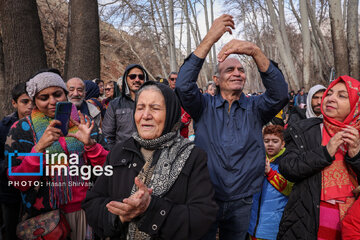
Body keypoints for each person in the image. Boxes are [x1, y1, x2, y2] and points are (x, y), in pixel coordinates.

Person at [175, 14, 288, 239]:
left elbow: (280, 93)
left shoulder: (256, 107)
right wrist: (210, 39)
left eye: (241, 70)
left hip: (243, 199)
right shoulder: (203, 106)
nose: (237, 73)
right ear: (216, 79)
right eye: (229, 70)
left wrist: (255, 51)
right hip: (205, 196)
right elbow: (183, 86)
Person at [83, 81, 217, 239]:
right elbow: (92, 203)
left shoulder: (193, 156)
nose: (145, 115)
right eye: (140, 108)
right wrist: (120, 215)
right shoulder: (119, 152)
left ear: (171, 113)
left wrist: (150, 208)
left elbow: (202, 218)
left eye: (155, 108)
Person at [6, 69, 108, 240]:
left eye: (57, 94)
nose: (52, 102)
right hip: (45, 219)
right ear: (34, 101)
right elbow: (18, 182)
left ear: (65, 94)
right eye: (43, 98)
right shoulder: (20, 129)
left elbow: (107, 169)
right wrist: (39, 148)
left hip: (87, 211)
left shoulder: (85, 122)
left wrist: (90, 145)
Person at [278, 76, 360, 239]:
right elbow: (288, 167)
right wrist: (324, 152)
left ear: (356, 104)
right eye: (329, 93)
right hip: (307, 223)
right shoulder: (304, 129)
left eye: (342, 95)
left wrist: (356, 154)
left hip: (352, 227)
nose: (330, 98)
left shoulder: (357, 136)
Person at [0, 82, 33, 240]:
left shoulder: (40, 125)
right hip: (10, 190)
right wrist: (8, 169)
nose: (30, 106)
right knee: (11, 228)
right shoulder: (4, 127)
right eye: (24, 101)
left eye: (32, 101)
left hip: (35, 190)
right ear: (14, 103)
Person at [248, 125, 292, 240]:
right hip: (252, 224)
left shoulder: (287, 162)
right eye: (266, 141)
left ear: (283, 143)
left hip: (273, 227)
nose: (270, 144)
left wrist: (270, 173)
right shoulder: (257, 158)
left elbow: (289, 189)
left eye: (275, 141)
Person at [102, 64, 148, 149]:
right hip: (122, 155)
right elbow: (107, 135)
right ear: (126, 79)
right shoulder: (115, 104)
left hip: (147, 154)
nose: (137, 80)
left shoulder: (152, 103)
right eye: (132, 76)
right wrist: (114, 155)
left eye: (141, 77)